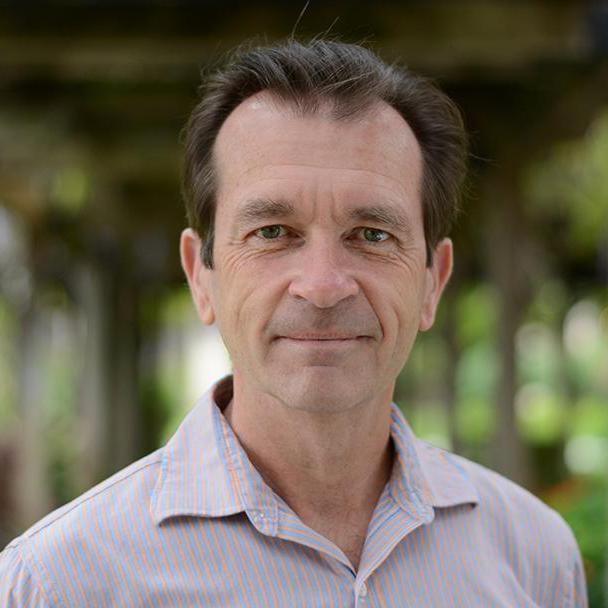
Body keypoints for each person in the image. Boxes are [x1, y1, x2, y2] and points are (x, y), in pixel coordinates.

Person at [0, 39, 587, 607]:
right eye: (273, 232)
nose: (324, 284)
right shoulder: (59, 584)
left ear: (433, 280)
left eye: (373, 235)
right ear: (201, 276)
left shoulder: (534, 555)